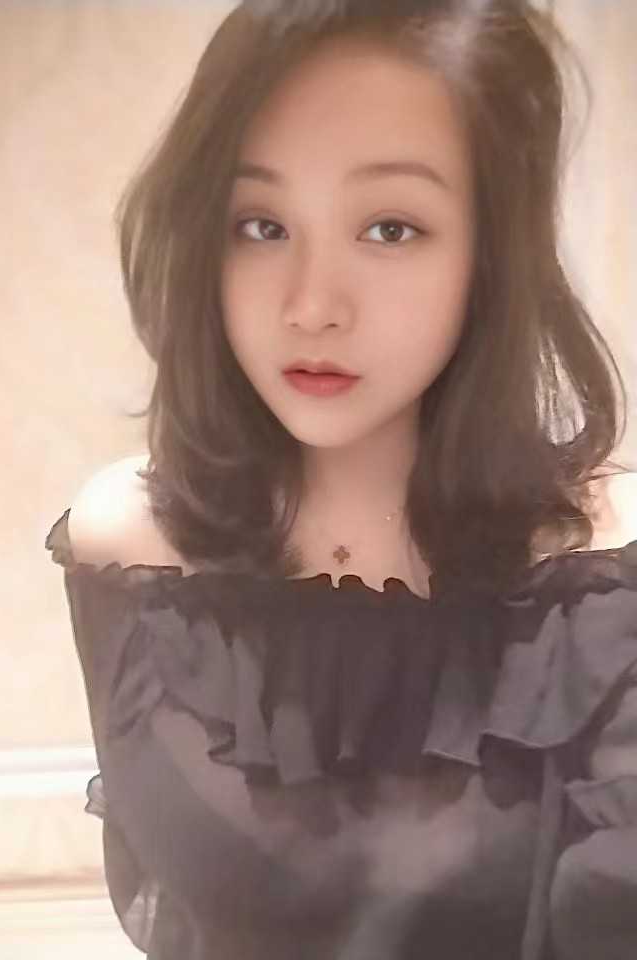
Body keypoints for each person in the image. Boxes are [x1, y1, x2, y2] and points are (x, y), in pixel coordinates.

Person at [45, 1, 637, 957]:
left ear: (491, 254)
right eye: (261, 225)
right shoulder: (131, 544)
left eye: (391, 228)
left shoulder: (608, 576)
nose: (312, 305)